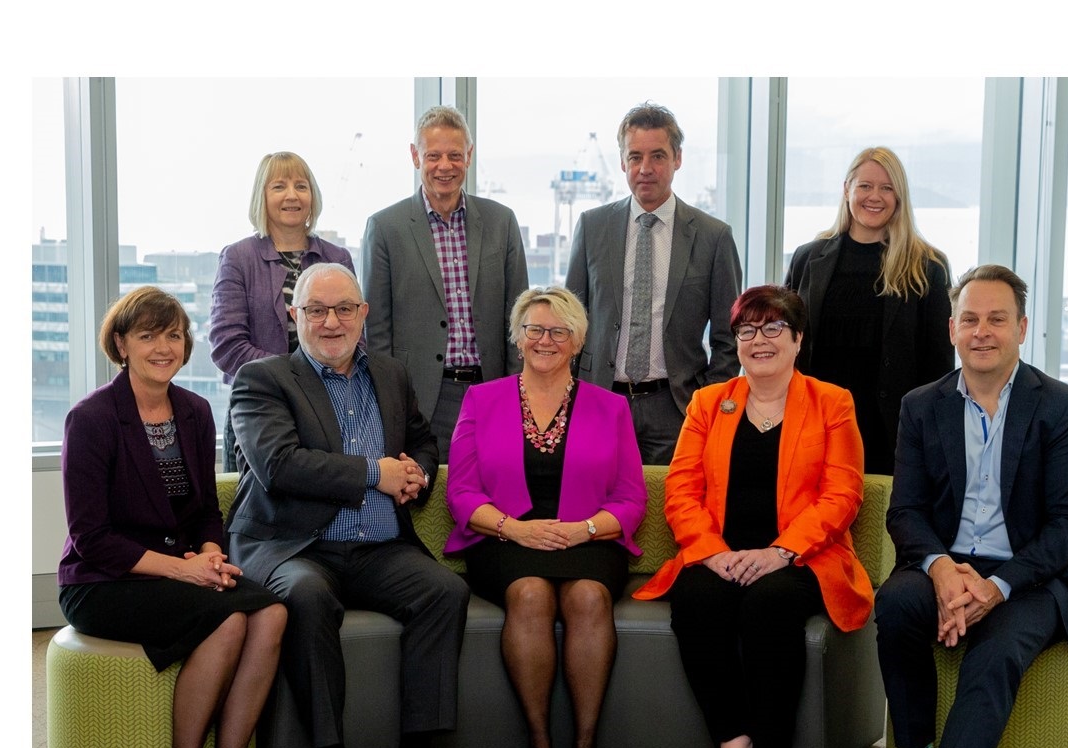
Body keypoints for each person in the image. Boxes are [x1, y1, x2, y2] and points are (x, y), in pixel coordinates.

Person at [226, 263, 471, 748]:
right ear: (295, 317)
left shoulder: (389, 373)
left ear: (363, 314)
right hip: (295, 546)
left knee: (445, 592)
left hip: (379, 546)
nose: (330, 321)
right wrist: (372, 474)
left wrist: (419, 475)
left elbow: (422, 441)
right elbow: (277, 464)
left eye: (343, 309)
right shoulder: (262, 379)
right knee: (307, 595)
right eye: (316, 310)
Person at [872, 265, 1068, 748]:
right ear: (951, 328)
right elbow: (907, 510)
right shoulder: (922, 406)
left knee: (995, 650)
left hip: (1032, 576)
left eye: (997, 318)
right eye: (970, 319)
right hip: (947, 560)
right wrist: (943, 570)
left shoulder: (1062, 407)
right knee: (895, 604)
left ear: (1022, 328)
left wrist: (995, 587)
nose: (982, 331)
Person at [58, 286, 287, 748]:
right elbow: (92, 539)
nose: (163, 346)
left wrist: (209, 551)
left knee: (274, 613)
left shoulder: (195, 410)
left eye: (173, 334)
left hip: (184, 565)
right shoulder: (91, 418)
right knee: (229, 619)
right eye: (147, 335)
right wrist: (181, 570)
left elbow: (208, 511)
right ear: (121, 344)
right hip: (103, 581)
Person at [634, 285, 872, 748]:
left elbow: (844, 494)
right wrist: (710, 551)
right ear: (734, 341)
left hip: (805, 556)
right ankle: (733, 742)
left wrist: (782, 551)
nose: (759, 340)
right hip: (721, 551)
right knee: (696, 599)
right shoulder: (706, 403)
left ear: (797, 339)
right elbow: (681, 489)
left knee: (769, 603)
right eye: (747, 330)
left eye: (772, 329)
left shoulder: (832, 402)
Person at [444, 286, 648, 748]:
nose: (546, 340)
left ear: (578, 341)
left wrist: (584, 529)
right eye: (535, 329)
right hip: (505, 537)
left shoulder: (610, 407)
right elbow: (462, 492)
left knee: (587, 598)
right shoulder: (480, 399)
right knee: (531, 594)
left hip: (587, 536)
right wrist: (515, 528)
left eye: (559, 331)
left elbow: (630, 497)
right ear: (517, 338)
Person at [565, 102, 742, 465]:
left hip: (676, 409)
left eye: (658, 156)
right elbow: (570, 324)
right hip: (599, 403)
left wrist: (704, 401)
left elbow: (729, 337)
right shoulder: (592, 227)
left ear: (678, 158)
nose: (645, 169)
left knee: (669, 515)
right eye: (635, 157)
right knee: (595, 512)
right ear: (622, 162)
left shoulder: (713, 237)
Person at [361, 105, 530, 461]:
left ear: (469, 155)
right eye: (433, 156)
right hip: (419, 398)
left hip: (491, 391)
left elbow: (518, 321)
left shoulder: (501, 222)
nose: (445, 166)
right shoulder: (385, 227)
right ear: (414, 156)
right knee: (423, 500)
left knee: (493, 494)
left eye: (455, 155)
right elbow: (377, 331)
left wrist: (516, 392)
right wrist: (391, 403)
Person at [785, 146, 952, 474]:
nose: (875, 196)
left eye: (887, 188)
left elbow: (939, 366)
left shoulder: (928, 266)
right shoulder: (808, 259)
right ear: (847, 190)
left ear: (899, 197)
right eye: (865, 186)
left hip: (891, 432)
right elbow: (787, 345)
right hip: (815, 427)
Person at [210, 151, 356, 472]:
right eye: (279, 186)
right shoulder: (238, 258)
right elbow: (226, 345)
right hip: (259, 410)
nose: (292, 195)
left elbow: (355, 335)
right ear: (262, 196)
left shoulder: (337, 258)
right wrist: (292, 378)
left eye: (301, 186)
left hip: (330, 409)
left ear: (312, 196)